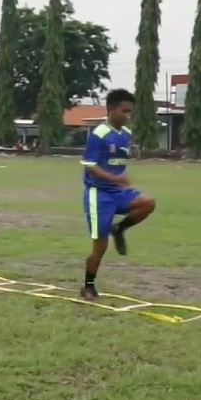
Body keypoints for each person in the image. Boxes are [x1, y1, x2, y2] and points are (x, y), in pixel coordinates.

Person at [80, 89, 156, 300]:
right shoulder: (99, 134)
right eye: (124, 111)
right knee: (100, 246)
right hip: (99, 194)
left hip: (118, 192)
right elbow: (90, 167)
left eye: (130, 111)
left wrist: (120, 179)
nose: (128, 116)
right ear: (111, 109)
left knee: (147, 203)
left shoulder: (126, 135)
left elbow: (116, 162)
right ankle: (88, 286)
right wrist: (114, 178)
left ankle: (119, 228)